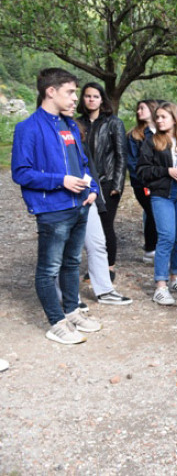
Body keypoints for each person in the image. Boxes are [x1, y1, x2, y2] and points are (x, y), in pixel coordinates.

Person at [11, 68, 102, 344]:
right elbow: (21, 172)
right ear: (51, 92)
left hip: (80, 207)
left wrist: (93, 189)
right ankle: (56, 322)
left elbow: (83, 163)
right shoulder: (28, 127)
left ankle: (73, 311)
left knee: (72, 263)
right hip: (52, 211)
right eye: (70, 92)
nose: (76, 98)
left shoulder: (70, 125)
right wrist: (60, 180)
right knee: (48, 269)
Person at [137, 101, 177, 306]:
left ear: (175, 119)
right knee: (166, 237)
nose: (159, 120)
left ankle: (175, 278)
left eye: (164, 117)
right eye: (158, 117)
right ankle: (160, 286)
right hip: (162, 193)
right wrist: (167, 171)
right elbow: (142, 171)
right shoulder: (151, 141)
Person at [76, 82, 126, 281]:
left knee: (106, 225)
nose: (91, 99)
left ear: (102, 99)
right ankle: (95, 266)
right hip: (85, 182)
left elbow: (121, 155)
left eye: (95, 96)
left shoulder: (114, 123)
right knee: (89, 227)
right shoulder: (77, 123)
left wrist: (118, 185)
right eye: (87, 96)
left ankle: (109, 267)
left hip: (107, 181)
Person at [127, 99, 159, 263]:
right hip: (142, 183)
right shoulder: (135, 135)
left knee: (158, 213)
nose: (138, 112)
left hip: (162, 182)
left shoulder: (163, 130)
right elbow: (132, 163)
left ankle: (156, 248)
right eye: (137, 109)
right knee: (153, 212)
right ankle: (150, 249)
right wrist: (145, 180)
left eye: (142, 108)